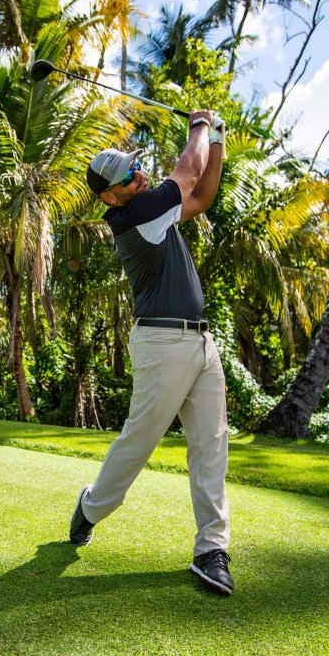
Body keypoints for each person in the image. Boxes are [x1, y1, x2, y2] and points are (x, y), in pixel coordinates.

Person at [69, 109, 233, 595]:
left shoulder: (152, 207)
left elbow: (202, 195)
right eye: (127, 176)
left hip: (202, 342)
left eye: (136, 167)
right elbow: (187, 172)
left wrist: (218, 139)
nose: (139, 175)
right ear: (109, 195)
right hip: (161, 342)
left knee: (212, 445)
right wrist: (201, 126)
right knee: (139, 441)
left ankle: (212, 549)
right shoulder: (135, 214)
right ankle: (91, 507)